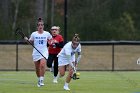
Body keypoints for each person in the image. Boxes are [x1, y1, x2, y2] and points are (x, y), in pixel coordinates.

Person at [24, 18, 52, 87]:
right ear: (37, 26)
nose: (40, 26)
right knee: (37, 68)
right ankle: (39, 79)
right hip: (36, 52)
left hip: (44, 52)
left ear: (43, 26)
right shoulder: (34, 34)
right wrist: (27, 40)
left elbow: (51, 40)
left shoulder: (47, 33)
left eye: (42, 25)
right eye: (39, 25)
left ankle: (42, 80)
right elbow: (29, 42)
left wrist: (50, 42)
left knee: (42, 65)